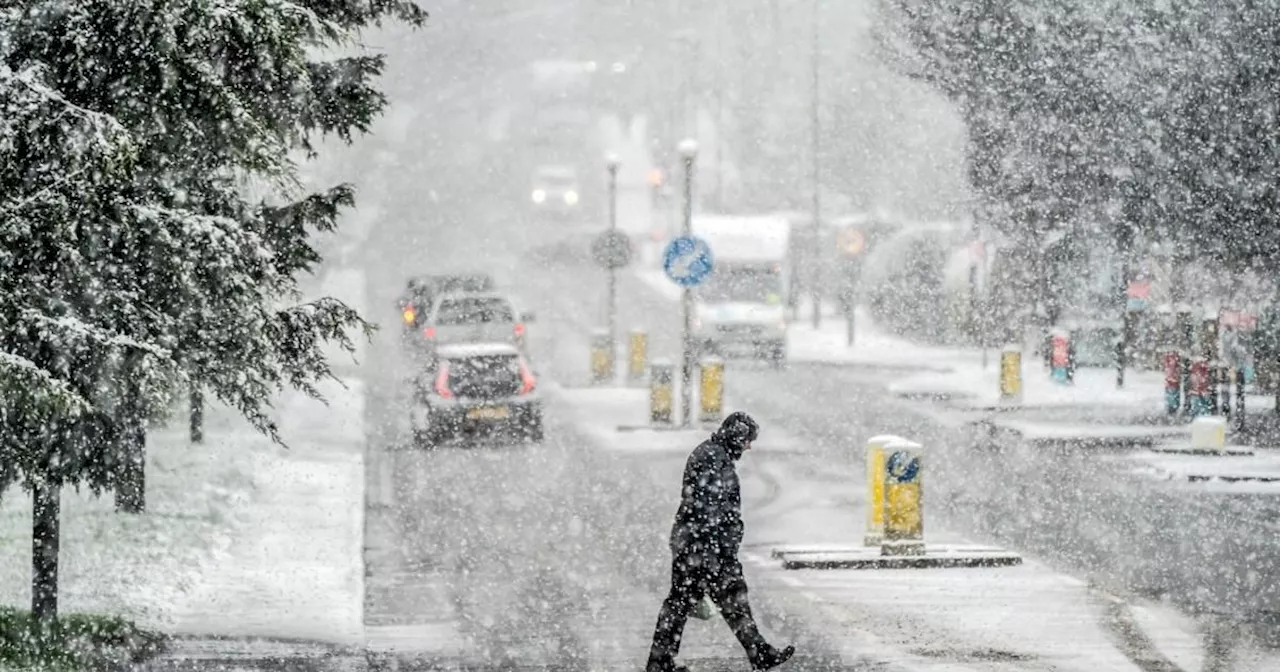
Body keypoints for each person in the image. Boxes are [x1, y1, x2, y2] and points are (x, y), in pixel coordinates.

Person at [646, 412, 795, 672]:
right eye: (748, 440)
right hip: (703, 549)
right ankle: (661, 662)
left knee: (697, 603)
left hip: (698, 547)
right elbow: (709, 511)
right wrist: (715, 553)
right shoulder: (713, 459)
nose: (749, 446)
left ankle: (662, 661)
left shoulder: (714, 455)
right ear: (737, 437)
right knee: (715, 601)